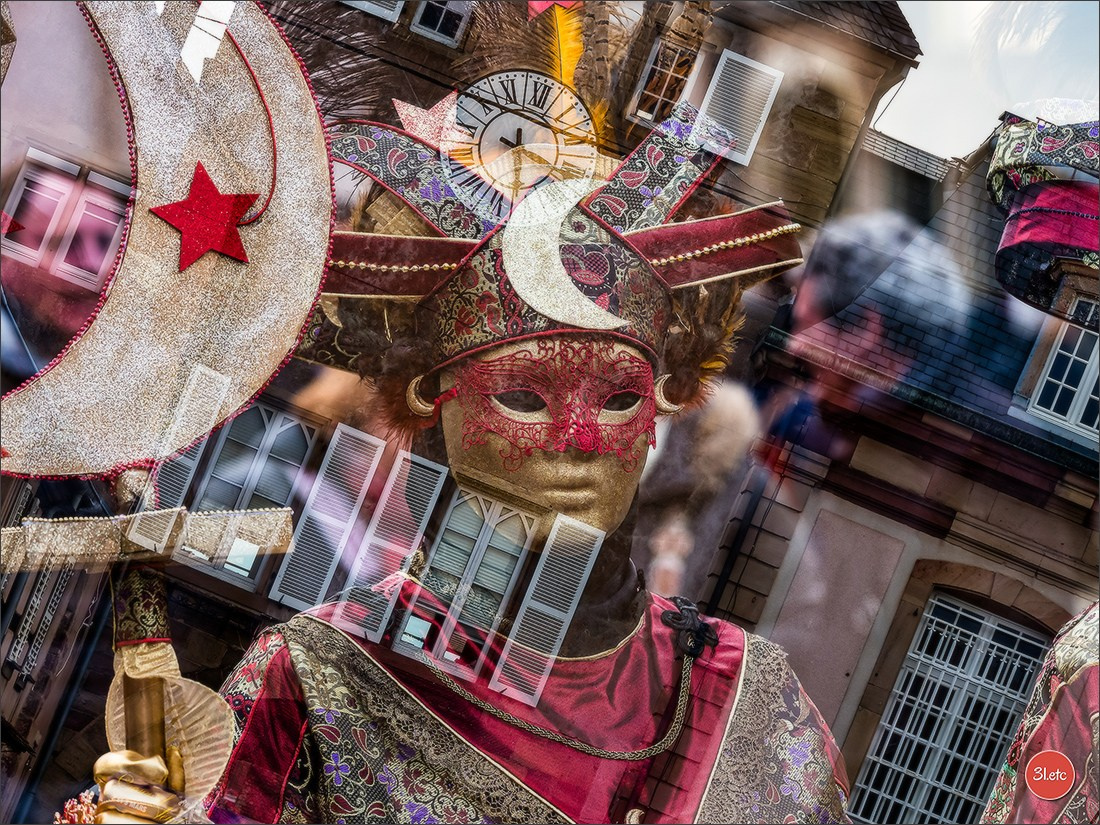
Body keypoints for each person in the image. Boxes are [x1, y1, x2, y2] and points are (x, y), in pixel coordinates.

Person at [94, 106, 851, 824]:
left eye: (619, 398)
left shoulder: (748, 703)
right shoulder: (321, 682)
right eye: (526, 395)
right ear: (434, 404)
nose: (583, 439)